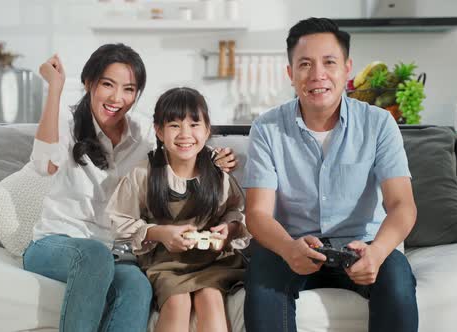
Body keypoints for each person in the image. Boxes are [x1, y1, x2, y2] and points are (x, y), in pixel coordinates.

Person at [22, 44, 237, 332]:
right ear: (89, 83)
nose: (117, 98)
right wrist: (56, 89)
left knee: (137, 284)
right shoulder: (67, 122)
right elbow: (43, 164)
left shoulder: (143, 133)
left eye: (129, 89)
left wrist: (216, 155)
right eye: (107, 85)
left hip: (115, 250)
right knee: (93, 255)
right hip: (56, 244)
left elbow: (181, 143)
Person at [242, 18, 418, 332]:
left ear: (347, 69)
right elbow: (256, 213)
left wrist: (377, 252)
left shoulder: (379, 124)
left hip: (364, 244)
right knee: (262, 278)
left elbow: (402, 204)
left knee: (398, 283)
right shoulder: (267, 128)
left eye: (329, 62)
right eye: (305, 64)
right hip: (293, 245)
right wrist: (287, 248)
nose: (317, 75)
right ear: (290, 73)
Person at [107, 87, 250, 332]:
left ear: (207, 130)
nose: (185, 134)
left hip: (213, 261)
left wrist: (228, 230)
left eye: (194, 124)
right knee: (177, 301)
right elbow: (118, 219)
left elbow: (236, 212)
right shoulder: (145, 173)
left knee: (211, 298)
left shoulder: (218, 173)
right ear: (159, 131)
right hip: (166, 263)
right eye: (174, 125)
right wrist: (160, 233)